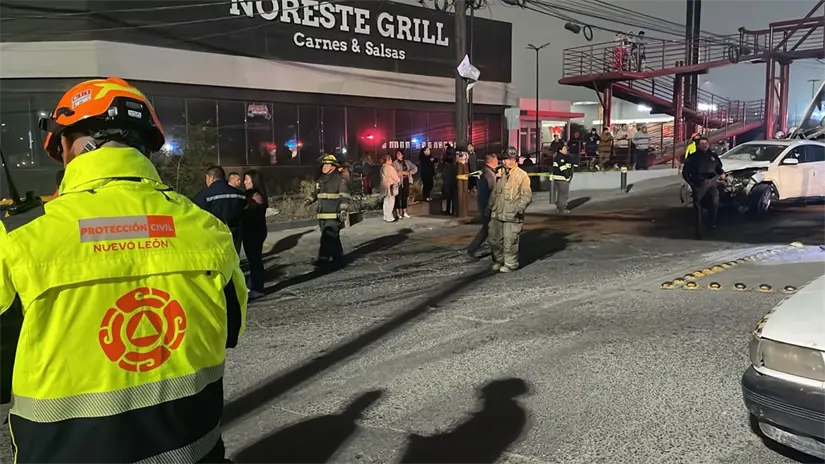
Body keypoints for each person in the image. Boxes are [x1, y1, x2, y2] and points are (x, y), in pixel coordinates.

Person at [0, 77, 246, 463]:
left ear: (65, 143)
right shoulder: (208, 229)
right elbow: (231, 330)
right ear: (147, 145)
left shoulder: (18, 237)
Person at [488, 147, 532, 273]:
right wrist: (489, 206)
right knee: (493, 240)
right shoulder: (499, 174)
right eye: (508, 159)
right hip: (497, 212)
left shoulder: (522, 175)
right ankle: (499, 260)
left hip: (513, 215)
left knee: (510, 241)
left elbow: (527, 195)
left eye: (512, 159)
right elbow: (495, 192)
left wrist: (520, 208)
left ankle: (510, 263)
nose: (510, 161)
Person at [306, 154, 350, 267]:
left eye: (327, 165)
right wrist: (308, 200)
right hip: (322, 215)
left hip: (333, 214)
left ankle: (324, 260)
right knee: (331, 238)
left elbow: (344, 196)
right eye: (323, 164)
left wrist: (343, 210)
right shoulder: (321, 180)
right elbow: (316, 193)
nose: (324, 167)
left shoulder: (339, 180)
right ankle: (337, 258)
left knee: (328, 236)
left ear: (333, 167)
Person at [193, 165, 247, 253]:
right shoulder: (240, 195)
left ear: (211, 177)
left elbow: (195, 213)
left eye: (206, 178)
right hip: (235, 235)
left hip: (214, 237)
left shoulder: (204, 195)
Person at [682, 137, 724, 239]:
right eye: (702, 144)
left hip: (712, 183)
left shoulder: (713, 156)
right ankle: (698, 230)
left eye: (706, 143)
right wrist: (692, 184)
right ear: (698, 145)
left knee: (714, 202)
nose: (705, 145)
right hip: (699, 184)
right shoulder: (693, 158)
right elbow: (685, 173)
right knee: (698, 207)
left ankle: (712, 224)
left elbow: (718, 168)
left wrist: (722, 173)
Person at [241, 169, 268, 300]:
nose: (244, 182)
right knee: (252, 260)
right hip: (250, 230)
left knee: (255, 260)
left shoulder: (257, 195)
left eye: (247, 180)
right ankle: (253, 285)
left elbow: (249, 209)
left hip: (255, 230)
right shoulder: (248, 194)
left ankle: (258, 288)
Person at [466, 153, 498, 259]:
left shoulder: (485, 171)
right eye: (496, 159)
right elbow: (493, 190)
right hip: (487, 205)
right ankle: (495, 253)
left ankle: (473, 249)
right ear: (491, 161)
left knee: (487, 229)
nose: (498, 161)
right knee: (492, 229)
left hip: (484, 204)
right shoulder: (488, 173)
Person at [392, 149, 417, 218]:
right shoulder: (394, 163)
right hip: (398, 182)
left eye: (399, 154)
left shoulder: (407, 162)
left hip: (406, 181)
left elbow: (415, 168)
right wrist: (400, 173)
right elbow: (393, 172)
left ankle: (404, 212)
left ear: (402, 155)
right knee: (398, 197)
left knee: (405, 196)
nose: (398, 155)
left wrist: (409, 173)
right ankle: (397, 213)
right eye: (397, 154)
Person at [551, 144, 575, 214]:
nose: (566, 150)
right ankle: (562, 208)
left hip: (560, 178)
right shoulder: (560, 158)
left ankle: (559, 207)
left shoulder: (562, 157)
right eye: (564, 149)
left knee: (561, 193)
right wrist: (567, 177)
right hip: (562, 178)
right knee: (564, 194)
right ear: (560, 150)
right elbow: (563, 169)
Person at [380, 153, 401, 222]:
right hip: (390, 186)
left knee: (386, 202)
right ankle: (389, 217)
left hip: (384, 186)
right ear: (388, 160)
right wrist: (398, 179)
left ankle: (385, 216)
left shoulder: (382, 167)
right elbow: (396, 178)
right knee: (391, 202)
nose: (392, 160)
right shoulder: (390, 168)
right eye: (391, 159)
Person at [441, 149, 458, 215]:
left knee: (449, 197)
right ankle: (453, 210)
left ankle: (448, 210)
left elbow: (443, 174)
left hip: (448, 182)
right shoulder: (455, 163)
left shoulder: (446, 164)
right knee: (453, 197)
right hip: (454, 181)